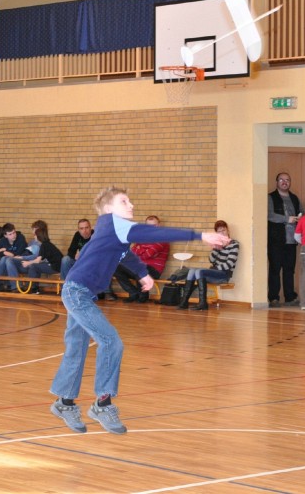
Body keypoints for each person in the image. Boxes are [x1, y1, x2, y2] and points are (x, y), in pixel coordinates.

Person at [49, 186, 228, 435]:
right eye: (124, 201)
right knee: (111, 342)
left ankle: (64, 402)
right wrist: (199, 235)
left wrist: (143, 273)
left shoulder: (109, 230)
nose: (131, 205)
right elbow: (153, 232)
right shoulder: (114, 224)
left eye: (130, 200)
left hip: (79, 291)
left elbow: (125, 255)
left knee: (77, 346)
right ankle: (102, 404)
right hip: (77, 292)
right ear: (109, 209)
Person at [177, 220, 239, 311]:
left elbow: (229, 264)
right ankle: (184, 302)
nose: (222, 233)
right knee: (192, 270)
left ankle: (203, 303)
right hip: (214, 272)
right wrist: (217, 248)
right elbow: (211, 260)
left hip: (224, 274)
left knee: (199, 271)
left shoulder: (234, 244)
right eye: (219, 231)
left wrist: (215, 268)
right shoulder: (217, 243)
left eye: (224, 230)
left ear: (228, 230)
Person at [267, 172, 302, 307]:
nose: (284, 182)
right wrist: (287, 219)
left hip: (291, 241)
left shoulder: (294, 198)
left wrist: (300, 218)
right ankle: (273, 298)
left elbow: (303, 213)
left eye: (287, 180)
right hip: (275, 240)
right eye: (281, 180)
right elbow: (269, 215)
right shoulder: (270, 197)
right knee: (275, 269)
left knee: (289, 270)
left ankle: (289, 297)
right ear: (277, 182)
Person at [119, 215, 169, 303]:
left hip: (154, 270)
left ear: (158, 225)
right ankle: (133, 292)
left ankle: (143, 296)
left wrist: (140, 249)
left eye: (153, 225)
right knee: (117, 268)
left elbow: (148, 255)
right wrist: (143, 250)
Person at [14, 222, 63, 294]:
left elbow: (37, 260)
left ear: (38, 236)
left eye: (35, 235)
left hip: (56, 267)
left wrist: (28, 263)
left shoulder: (44, 245)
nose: (34, 237)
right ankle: (35, 288)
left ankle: (31, 287)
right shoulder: (46, 244)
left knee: (33, 266)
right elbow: (40, 260)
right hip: (55, 265)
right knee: (36, 266)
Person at [0, 222, 29, 290]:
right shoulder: (3, 240)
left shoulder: (20, 238)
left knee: (6, 259)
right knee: (2, 259)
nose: (13, 235)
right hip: (9, 263)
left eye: (14, 232)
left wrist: (5, 251)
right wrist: (4, 252)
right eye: (10, 234)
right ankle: (13, 286)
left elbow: (18, 253)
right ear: (5, 236)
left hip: (21, 261)